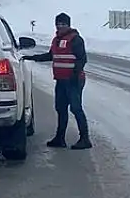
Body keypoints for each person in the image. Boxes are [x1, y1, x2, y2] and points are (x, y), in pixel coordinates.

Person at [23, 12, 91, 149]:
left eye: (63, 24)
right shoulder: (56, 40)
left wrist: (74, 74)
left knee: (76, 108)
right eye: (58, 24)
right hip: (61, 80)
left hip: (74, 81)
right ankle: (60, 138)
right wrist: (32, 57)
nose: (60, 26)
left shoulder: (76, 39)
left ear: (68, 25)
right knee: (60, 108)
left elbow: (82, 59)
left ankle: (85, 139)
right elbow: (50, 56)